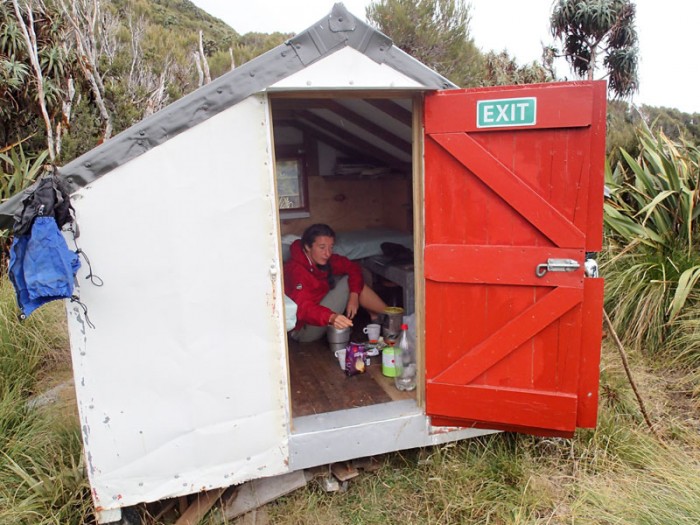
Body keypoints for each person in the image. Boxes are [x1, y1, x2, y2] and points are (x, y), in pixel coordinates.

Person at [284, 223, 387, 342]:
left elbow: (352, 267)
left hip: (320, 311)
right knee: (346, 283)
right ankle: (393, 316)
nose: (327, 253)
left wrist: (354, 296)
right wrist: (332, 317)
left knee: (360, 273)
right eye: (322, 247)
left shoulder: (321, 259)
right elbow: (303, 309)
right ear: (307, 246)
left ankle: (377, 315)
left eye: (331, 247)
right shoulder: (296, 270)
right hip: (303, 329)